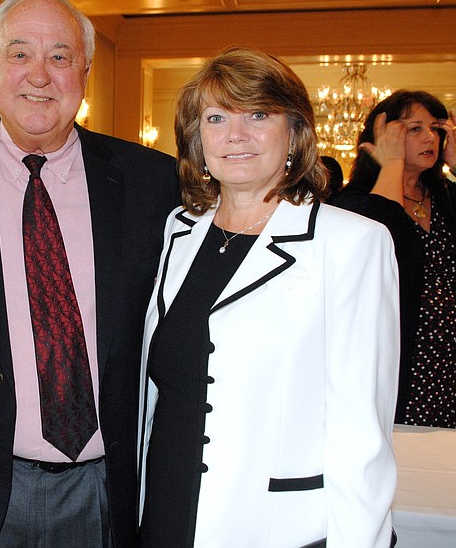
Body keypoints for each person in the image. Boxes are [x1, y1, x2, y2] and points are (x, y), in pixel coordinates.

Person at [0, 0, 178, 548]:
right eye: (19, 53)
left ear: (85, 68)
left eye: (59, 56)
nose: (39, 74)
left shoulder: (154, 183)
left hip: (112, 487)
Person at [137, 47, 399, 547]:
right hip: (165, 516)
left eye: (258, 114)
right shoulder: (179, 234)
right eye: (216, 118)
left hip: (277, 527)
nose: (236, 135)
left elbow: (362, 430)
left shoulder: (350, 242)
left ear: (294, 134)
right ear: (198, 139)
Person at [332, 90, 456, 428]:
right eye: (414, 128)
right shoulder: (355, 202)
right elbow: (385, 239)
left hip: (449, 361)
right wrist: (391, 165)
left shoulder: (443, 196)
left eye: (435, 128)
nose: (430, 137)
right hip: (404, 358)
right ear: (382, 135)